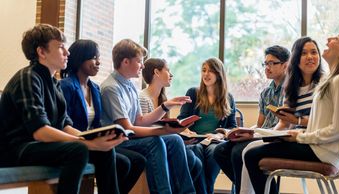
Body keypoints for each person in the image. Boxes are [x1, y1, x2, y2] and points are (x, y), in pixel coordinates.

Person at [0, 24, 127, 194]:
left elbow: (65, 125)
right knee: (78, 149)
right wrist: (87, 143)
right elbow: (40, 132)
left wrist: (97, 139)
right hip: (19, 149)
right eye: (61, 47)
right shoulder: (28, 78)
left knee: (106, 152)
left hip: (42, 146)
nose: (67, 52)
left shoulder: (54, 83)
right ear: (42, 52)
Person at [244, 31, 339, 194]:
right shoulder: (336, 80)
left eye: (336, 39)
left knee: (251, 155)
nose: (329, 39)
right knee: (253, 149)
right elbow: (325, 125)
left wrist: (300, 136)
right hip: (320, 149)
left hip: (322, 152)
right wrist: (298, 133)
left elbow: (338, 130)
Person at [100, 39, 196, 194]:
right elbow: (127, 129)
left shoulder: (130, 85)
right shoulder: (111, 88)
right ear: (125, 62)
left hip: (130, 137)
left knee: (175, 140)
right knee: (154, 142)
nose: (143, 66)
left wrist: (166, 106)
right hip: (118, 140)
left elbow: (140, 120)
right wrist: (163, 131)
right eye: (139, 61)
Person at [60, 39, 147, 194]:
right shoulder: (66, 86)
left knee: (137, 160)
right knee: (121, 161)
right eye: (94, 58)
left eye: (99, 58)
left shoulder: (94, 88)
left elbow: (97, 124)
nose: (99, 62)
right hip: (75, 143)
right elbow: (63, 122)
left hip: (91, 141)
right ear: (80, 59)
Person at [239, 36, 324, 194]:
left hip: (309, 140)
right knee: (248, 149)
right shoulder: (292, 87)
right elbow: (284, 123)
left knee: (250, 154)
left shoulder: (323, 85)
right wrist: (269, 135)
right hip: (291, 136)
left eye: (314, 52)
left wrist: (297, 121)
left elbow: (322, 122)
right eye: (304, 53)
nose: (310, 57)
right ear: (296, 59)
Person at [213, 45, 290, 194]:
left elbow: (285, 126)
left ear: (285, 65)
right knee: (220, 150)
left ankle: (252, 188)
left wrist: (257, 134)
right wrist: (242, 131)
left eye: (272, 63)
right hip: (261, 135)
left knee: (237, 152)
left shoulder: (289, 90)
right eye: (265, 63)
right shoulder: (265, 93)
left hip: (276, 138)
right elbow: (260, 123)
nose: (267, 67)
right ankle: (252, 188)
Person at [138, 58, 203, 192]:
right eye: (167, 70)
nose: (171, 75)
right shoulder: (143, 98)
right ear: (156, 72)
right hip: (151, 140)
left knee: (196, 163)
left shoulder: (163, 98)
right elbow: (144, 127)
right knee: (192, 161)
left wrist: (182, 132)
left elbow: (163, 126)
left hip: (164, 138)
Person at [178, 57, 237, 194]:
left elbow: (232, 127)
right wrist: (187, 130)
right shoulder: (193, 92)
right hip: (194, 139)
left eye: (211, 71)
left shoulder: (228, 98)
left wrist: (219, 134)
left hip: (214, 141)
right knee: (196, 149)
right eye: (204, 70)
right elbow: (181, 119)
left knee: (213, 152)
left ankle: (206, 190)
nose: (206, 74)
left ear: (219, 74)